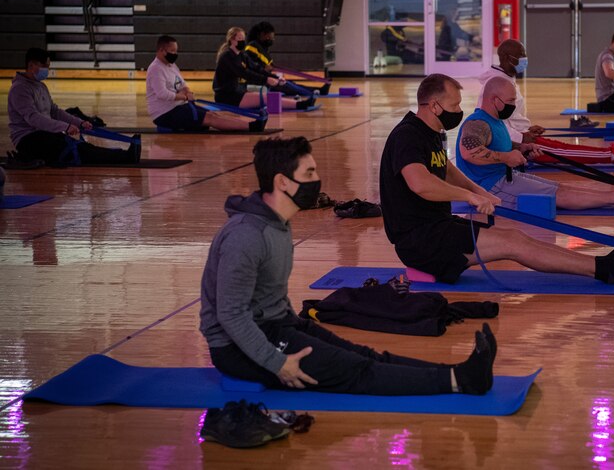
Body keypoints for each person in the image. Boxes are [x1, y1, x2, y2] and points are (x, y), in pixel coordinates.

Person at [200, 136, 496, 396]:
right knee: (356, 371)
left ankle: (459, 371)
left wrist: (295, 327)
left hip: (276, 326)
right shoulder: (246, 236)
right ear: (282, 182)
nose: (317, 180)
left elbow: (268, 296)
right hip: (236, 348)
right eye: (310, 172)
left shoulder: (277, 223)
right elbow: (231, 315)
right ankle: (461, 381)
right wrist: (277, 362)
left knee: (361, 354)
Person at [379, 73, 614, 285]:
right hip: (421, 242)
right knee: (513, 243)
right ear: (434, 106)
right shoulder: (408, 136)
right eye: (454, 106)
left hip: (438, 227)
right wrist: (470, 196)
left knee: (516, 237)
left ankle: (601, 266)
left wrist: (478, 190)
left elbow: (446, 169)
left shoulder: (431, 133)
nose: (459, 111)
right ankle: (602, 269)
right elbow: (421, 184)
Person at [458, 76, 614, 211]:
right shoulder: (477, 123)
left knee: (558, 187)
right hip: (490, 188)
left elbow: (496, 144)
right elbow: (469, 152)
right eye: (510, 101)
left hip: (503, 178)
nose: (513, 105)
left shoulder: (494, 119)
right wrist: (506, 157)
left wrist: (521, 148)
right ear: (494, 100)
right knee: (555, 194)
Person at [480, 39, 614, 166]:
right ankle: (611, 155)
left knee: (559, 147)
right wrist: (520, 137)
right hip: (512, 143)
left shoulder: (506, 77)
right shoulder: (494, 84)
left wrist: (527, 128)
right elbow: (490, 122)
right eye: (521, 55)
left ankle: (610, 152)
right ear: (506, 57)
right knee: (560, 152)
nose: (524, 59)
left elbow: (510, 117)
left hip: (517, 137)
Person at [7, 47, 140, 166]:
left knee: (81, 146)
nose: (47, 70)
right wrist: (64, 127)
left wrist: (79, 122)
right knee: (76, 150)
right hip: (28, 139)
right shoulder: (20, 89)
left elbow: (54, 111)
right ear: (31, 65)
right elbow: (34, 118)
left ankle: (125, 155)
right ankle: (125, 157)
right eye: (44, 66)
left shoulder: (40, 86)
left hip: (45, 134)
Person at [147, 35, 262, 132]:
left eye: (176, 51)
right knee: (210, 118)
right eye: (172, 51)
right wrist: (184, 96)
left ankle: (250, 123)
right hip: (165, 113)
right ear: (161, 51)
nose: (175, 54)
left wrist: (187, 91)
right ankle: (251, 127)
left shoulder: (171, 65)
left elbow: (182, 83)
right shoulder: (156, 69)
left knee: (213, 114)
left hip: (179, 106)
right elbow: (162, 94)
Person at [212, 27, 305, 110]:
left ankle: (298, 103)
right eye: (239, 39)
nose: (242, 41)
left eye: (243, 39)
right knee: (265, 98)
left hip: (235, 91)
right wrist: (266, 80)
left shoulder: (241, 55)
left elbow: (256, 68)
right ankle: (299, 105)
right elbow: (245, 73)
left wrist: (274, 77)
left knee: (265, 96)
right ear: (232, 40)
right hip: (226, 97)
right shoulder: (227, 56)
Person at [243, 21, 328, 104]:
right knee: (287, 86)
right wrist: (266, 68)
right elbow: (252, 66)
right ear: (263, 35)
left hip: (268, 79)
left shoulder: (263, 48)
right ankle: (315, 92)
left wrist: (273, 71)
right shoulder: (251, 47)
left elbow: (268, 66)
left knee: (290, 83)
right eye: (270, 37)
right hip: (261, 82)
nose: (272, 39)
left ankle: (318, 90)